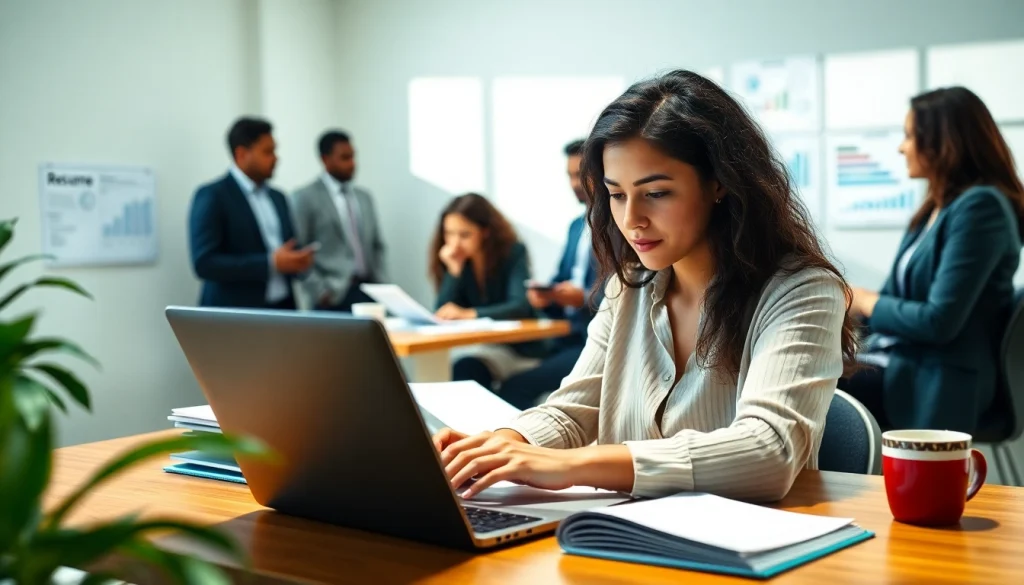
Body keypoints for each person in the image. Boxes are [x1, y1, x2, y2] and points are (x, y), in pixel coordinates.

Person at [432, 70, 859, 502]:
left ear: (719, 183)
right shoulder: (628, 288)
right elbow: (573, 412)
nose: (631, 218)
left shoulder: (803, 291)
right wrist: (501, 444)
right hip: (626, 536)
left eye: (655, 193)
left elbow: (769, 452)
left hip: (753, 554)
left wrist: (571, 465)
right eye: (617, 195)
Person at [843, 87, 1024, 433]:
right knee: (810, 371)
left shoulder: (982, 207)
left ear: (943, 142)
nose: (901, 147)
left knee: (819, 392)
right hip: (902, 363)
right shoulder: (934, 210)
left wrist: (865, 300)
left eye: (910, 136)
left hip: (937, 380)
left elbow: (939, 321)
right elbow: (892, 302)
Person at [499, 139, 603, 409]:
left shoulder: (619, 228)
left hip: (592, 343)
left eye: (581, 174)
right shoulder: (575, 227)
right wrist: (548, 296)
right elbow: (560, 279)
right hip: (562, 337)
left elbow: (622, 290)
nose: (574, 183)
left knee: (515, 386)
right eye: (569, 175)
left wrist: (580, 297)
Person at [189, 117, 313, 309]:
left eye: (275, 150)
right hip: (236, 318)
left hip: (283, 311)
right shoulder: (213, 195)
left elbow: (289, 247)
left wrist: (299, 261)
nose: (276, 158)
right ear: (241, 154)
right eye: (267, 152)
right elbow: (205, 263)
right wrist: (270, 263)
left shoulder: (278, 197)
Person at [430, 193, 543, 388]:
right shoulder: (457, 260)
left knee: (467, 369)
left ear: (485, 232)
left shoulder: (512, 252)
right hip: (488, 348)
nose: (454, 244)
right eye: (449, 234)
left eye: (464, 235)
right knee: (463, 368)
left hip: (521, 350)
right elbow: (442, 312)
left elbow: (520, 306)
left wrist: (469, 314)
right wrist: (453, 272)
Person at [292, 130, 387, 311]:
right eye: (345, 158)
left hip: (369, 291)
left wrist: (382, 284)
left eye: (353, 156)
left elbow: (377, 245)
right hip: (332, 295)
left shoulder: (364, 197)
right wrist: (319, 291)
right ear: (325, 159)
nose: (352, 164)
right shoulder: (305, 198)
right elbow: (299, 252)